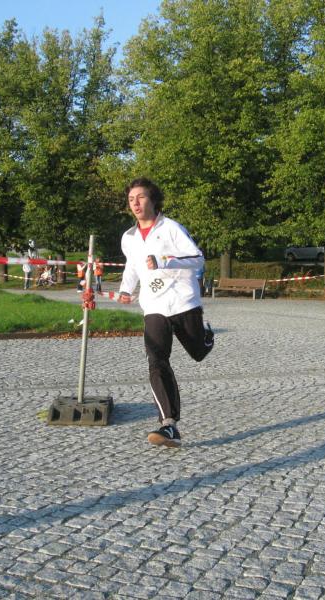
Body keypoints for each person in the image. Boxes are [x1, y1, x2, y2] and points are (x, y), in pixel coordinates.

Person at [117, 177, 214, 448]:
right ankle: (168, 424)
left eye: (141, 197)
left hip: (183, 301)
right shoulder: (129, 237)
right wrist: (126, 289)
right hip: (154, 306)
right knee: (156, 359)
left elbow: (197, 258)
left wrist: (164, 260)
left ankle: (206, 337)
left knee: (198, 351)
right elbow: (132, 266)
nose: (136, 203)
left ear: (153, 200)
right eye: (131, 199)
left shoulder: (171, 228)